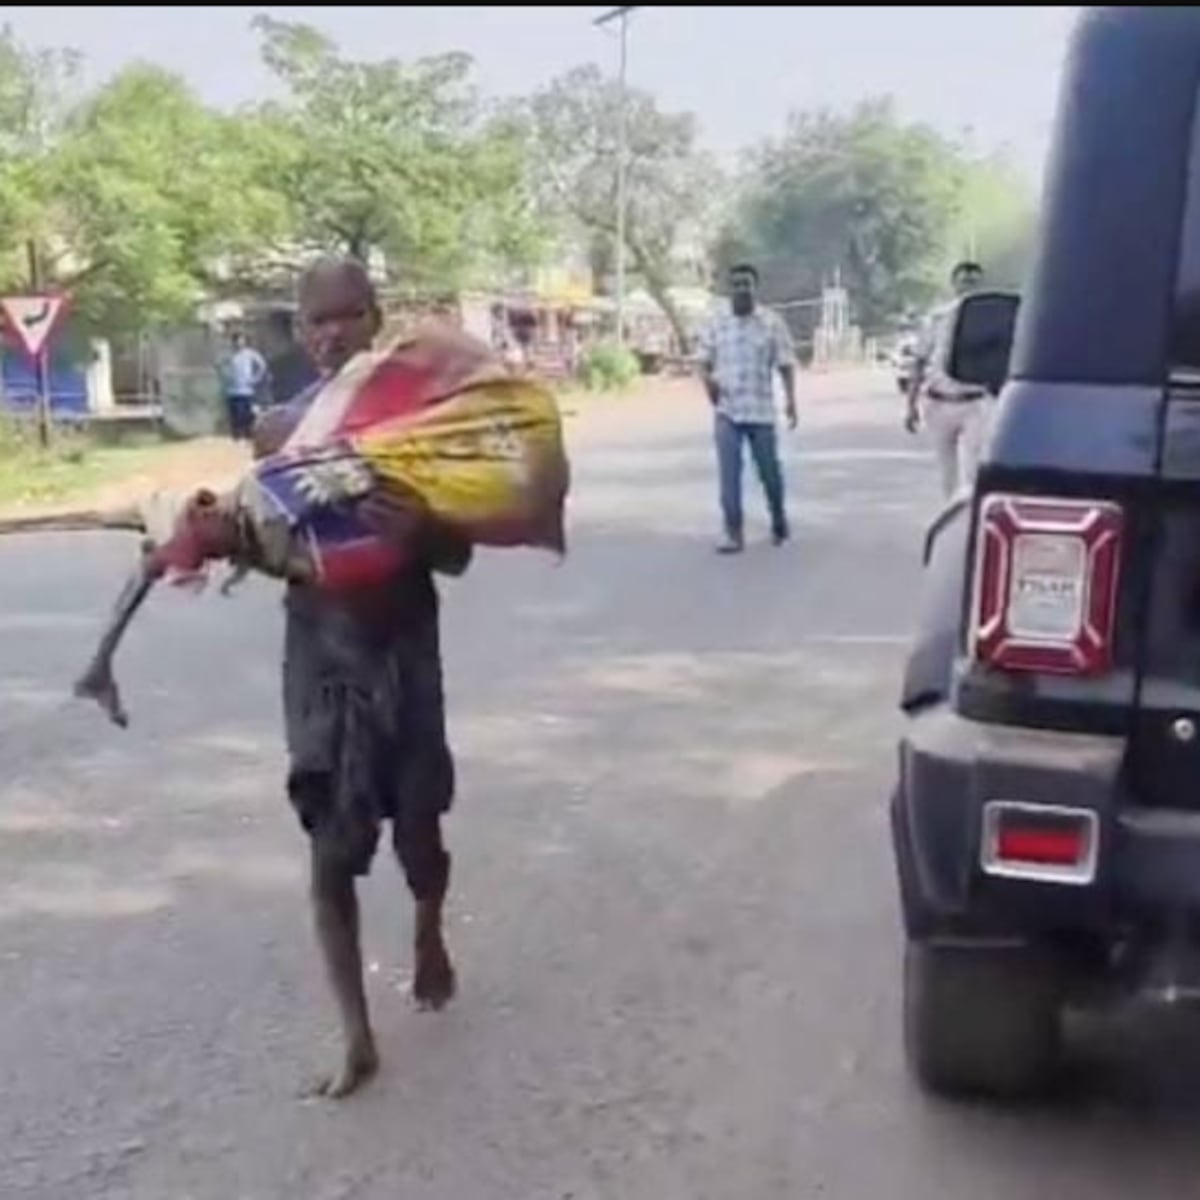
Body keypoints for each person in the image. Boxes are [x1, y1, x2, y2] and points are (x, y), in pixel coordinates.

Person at [254, 256, 472, 1099]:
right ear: (301, 330)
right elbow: (265, 546)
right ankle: (356, 1035)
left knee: (420, 828)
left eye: (346, 316)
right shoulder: (278, 430)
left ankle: (427, 926)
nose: (329, 333)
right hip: (321, 658)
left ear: (375, 319)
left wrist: (420, 526)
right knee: (328, 850)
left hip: (405, 646)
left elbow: (456, 555)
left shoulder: (419, 429)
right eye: (315, 320)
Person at [697, 263, 798, 555]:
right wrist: (708, 383)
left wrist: (791, 401)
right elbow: (702, 360)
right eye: (736, 284)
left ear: (755, 288)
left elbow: (786, 364)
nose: (741, 289)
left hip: (761, 410)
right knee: (729, 474)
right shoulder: (716, 323)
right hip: (727, 410)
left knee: (769, 471)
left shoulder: (771, 323)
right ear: (730, 289)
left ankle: (778, 519)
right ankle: (732, 532)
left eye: (747, 284)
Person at [904, 260, 991, 500]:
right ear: (954, 284)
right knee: (946, 472)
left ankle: (971, 520)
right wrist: (910, 405)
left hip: (975, 401)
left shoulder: (991, 317)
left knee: (975, 469)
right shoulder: (937, 318)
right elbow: (920, 360)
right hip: (939, 400)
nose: (968, 286)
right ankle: (952, 521)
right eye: (964, 281)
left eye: (974, 281)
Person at [220, 331, 268, 441]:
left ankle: (248, 434)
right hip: (232, 390)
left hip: (246, 389)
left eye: (241, 341)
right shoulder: (229, 354)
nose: (239, 344)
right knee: (234, 414)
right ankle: (236, 436)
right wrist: (225, 377)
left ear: (245, 342)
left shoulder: (250, 353)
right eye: (237, 341)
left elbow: (262, 365)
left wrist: (255, 379)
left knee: (246, 414)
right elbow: (219, 365)